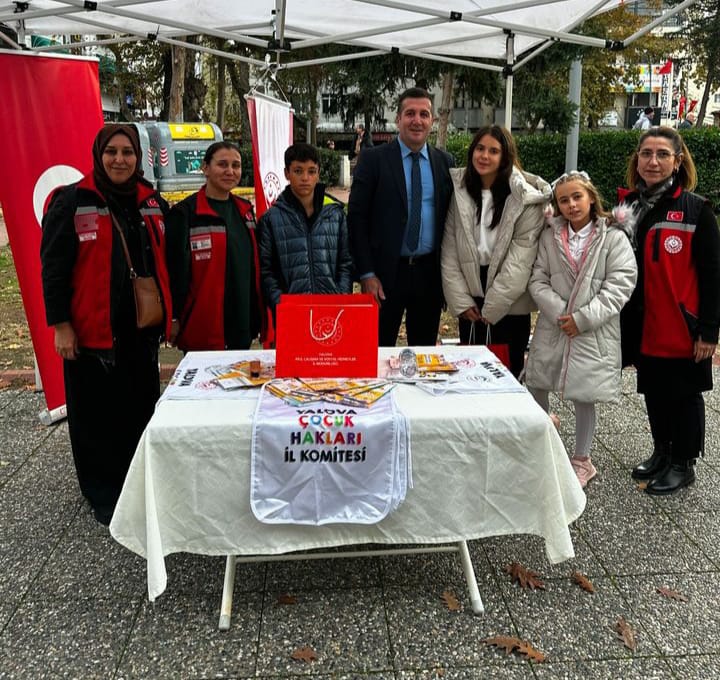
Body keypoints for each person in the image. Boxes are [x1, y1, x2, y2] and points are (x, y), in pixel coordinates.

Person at [40, 124, 172, 525]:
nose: (119, 159)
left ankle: (136, 484)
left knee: (137, 410)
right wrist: (62, 326)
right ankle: (103, 494)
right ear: (99, 155)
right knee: (94, 419)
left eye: (127, 152)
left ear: (138, 158)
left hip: (140, 332)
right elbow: (54, 269)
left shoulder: (151, 202)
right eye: (112, 152)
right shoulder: (72, 202)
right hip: (90, 333)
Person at [621, 126, 720, 494]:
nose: (653, 161)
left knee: (683, 395)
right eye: (647, 153)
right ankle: (662, 452)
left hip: (682, 325)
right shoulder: (627, 206)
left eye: (663, 154)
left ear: (678, 161)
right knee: (654, 391)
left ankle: (684, 463)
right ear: (637, 160)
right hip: (644, 323)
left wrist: (710, 331)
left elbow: (712, 276)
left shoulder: (697, 210)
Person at [525, 172, 637, 488]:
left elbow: (621, 283)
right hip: (555, 325)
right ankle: (541, 446)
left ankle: (582, 459)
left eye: (577, 197)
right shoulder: (549, 237)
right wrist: (563, 313)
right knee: (538, 383)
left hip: (592, 330)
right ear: (557, 205)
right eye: (564, 199)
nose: (572, 204)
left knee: (584, 393)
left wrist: (584, 318)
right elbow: (538, 278)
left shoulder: (613, 237)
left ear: (590, 197)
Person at [441, 125, 550, 377]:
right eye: (480, 148)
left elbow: (520, 260)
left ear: (505, 157)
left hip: (509, 300)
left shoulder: (525, 198)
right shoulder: (461, 191)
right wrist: (461, 301)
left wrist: (492, 309)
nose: (484, 156)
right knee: (471, 375)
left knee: (507, 376)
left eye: (493, 151)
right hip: (471, 294)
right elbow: (449, 250)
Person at [348, 87, 454, 346]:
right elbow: (356, 219)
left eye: (424, 114)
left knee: (423, 353)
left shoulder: (445, 163)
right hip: (384, 275)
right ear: (398, 119)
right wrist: (366, 273)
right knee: (378, 352)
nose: (417, 120)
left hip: (429, 274)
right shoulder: (373, 160)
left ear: (433, 121)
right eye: (410, 114)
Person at [165, 141, 265, 351]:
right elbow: (174, 273)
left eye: (235, 165)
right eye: (222, 164)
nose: (230, 171)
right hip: (201, 328)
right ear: (205, 168)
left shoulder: (245, 212)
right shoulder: (185, 214)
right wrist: (173, 318)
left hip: (241, 327)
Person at [257, 142, 353, 319]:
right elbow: (266, 271)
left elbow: (345, 263)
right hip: (291, 314)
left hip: (332, 312)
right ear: (287, 173)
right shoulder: (271, 219)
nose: (305, 178)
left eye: (311, 171)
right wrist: (280, 304)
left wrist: (341, 298)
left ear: (318, 174)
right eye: (298, 171)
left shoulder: (335, 215)